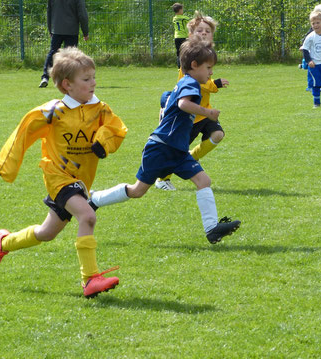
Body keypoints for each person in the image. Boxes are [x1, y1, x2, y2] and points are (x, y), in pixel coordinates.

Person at [0, 47, 128, 298]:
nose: (93, 83)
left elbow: (116, 128)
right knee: (87, 216)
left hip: (81, 181)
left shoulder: (100, 109)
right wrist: (7, 166)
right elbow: (24, 131)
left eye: (94, 77)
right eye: (86, 79)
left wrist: (104, 142)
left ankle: (4, 242)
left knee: (46, 233)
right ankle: (90, 279)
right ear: (67, 85)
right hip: (58, 176)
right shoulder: (53, 112)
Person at [89, 39, 241, 245]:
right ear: (194, 65)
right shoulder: (190, 82)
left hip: (178, 151)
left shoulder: (189, 82)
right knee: (137, 191)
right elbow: (183, 103)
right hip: (160, 147)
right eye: (208, 68)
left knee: (203, 181)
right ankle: (95, 199)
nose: (211, 73)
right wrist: (208, 113)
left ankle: (212, 228)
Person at [155, 11, 229, 191]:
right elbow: (197, 83)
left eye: (207, 31)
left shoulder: (208, 54)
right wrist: (215, 84)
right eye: (199, 31)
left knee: (217, 135)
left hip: (203, 112)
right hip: (189, 114)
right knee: (174, 149)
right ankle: (162, 179)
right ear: (190, 35)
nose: (204, 33)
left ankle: (191, 158)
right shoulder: (189, 56)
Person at [39, 0, 89, 88]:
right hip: (72, 30)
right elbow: (82, 14)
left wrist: (50, 29)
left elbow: (49, 11)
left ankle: (45, 77)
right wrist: (85, 31)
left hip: (57, 29)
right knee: (71, 57)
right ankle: (68, 79)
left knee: (53, 52)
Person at [299, 4, 321, 92]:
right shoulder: (314, 28)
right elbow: (307, 39)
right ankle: (310, 85)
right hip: (313, 54)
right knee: (312, 70)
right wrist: (303, 46)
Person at [172, 3, 190, 68]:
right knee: (185, 52)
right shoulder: (183, 18)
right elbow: (190, 20)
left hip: (176, 37)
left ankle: (179, 68)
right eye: (182, 9)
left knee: (178, 53)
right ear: (179, 10)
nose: (183, 11)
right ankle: (185, 66)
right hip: (183, 37)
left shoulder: (174, 18)